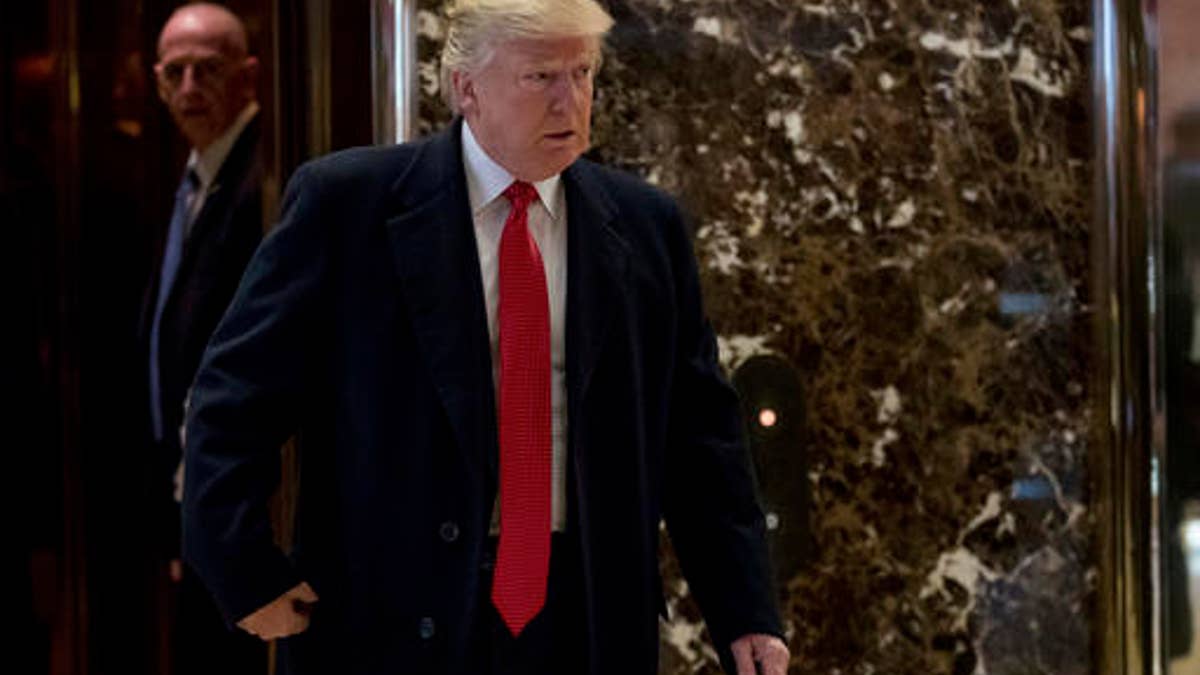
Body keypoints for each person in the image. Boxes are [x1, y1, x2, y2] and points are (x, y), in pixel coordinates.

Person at [181, 1, 790, 673]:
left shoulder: (646, 227)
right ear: (465, 88)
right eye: (542, 77)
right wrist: (242, 568)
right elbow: (233, 400)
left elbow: (702, 439)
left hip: (584, 617)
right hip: (393, 617)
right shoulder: (348, 205)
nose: (572, 99)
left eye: (583, 73)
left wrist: (746, 611)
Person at [141, 3, 267, 673]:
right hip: (196, 499)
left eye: (208, 70)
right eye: (176, 72)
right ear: (157, 82)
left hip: (241, 504)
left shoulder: (261, 181)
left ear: (248, 76)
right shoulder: (196, 180)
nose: (190, 88)